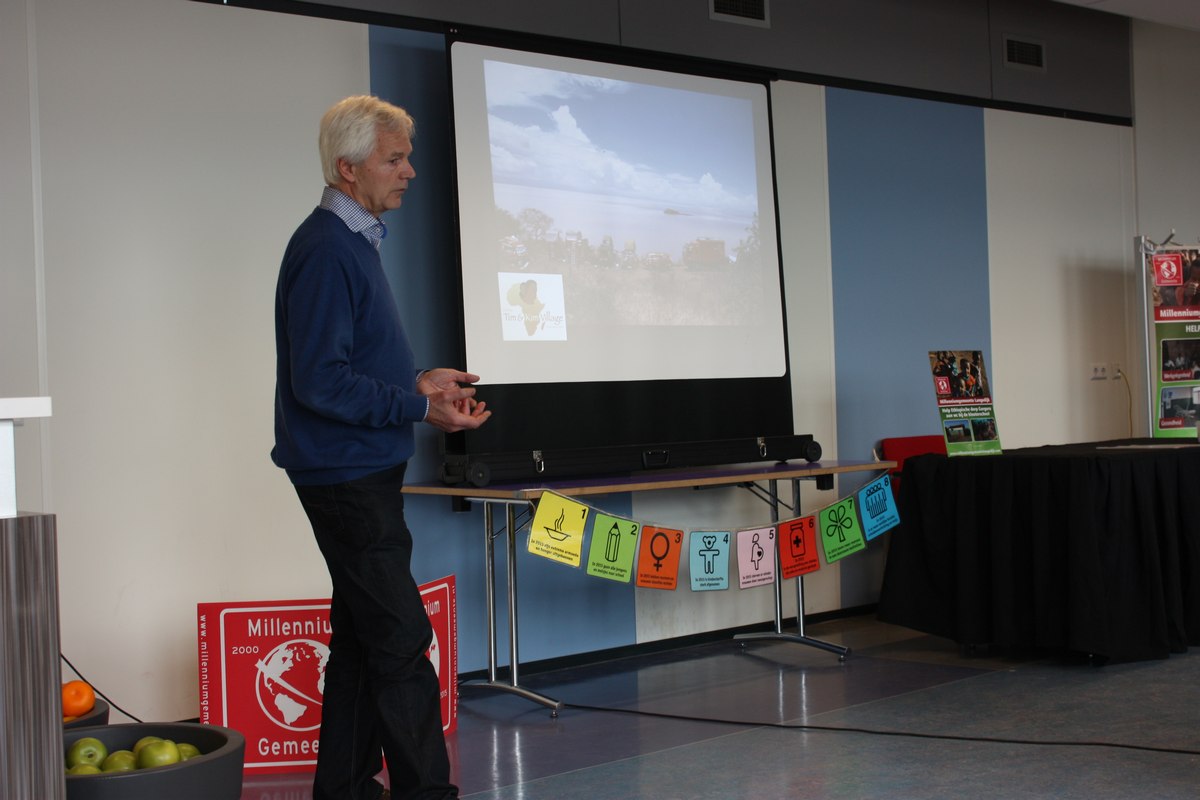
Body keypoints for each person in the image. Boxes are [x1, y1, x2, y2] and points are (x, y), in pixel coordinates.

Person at [272, 95, 490, 800]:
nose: (411, 171)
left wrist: (415, 382)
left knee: (369, 641)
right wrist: (416, 406)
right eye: (394, 159)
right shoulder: (325, 248)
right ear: (348, 167)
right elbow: (319, 381)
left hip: (357, 472)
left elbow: (347, 364)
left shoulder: (351, 243)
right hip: (344, 478)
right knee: (399, 641)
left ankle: (343, 789)